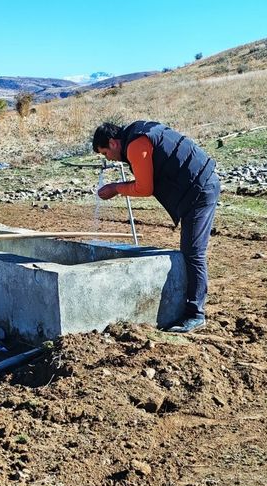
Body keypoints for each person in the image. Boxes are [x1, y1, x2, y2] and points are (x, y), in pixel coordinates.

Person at [92, 121, 220, 333]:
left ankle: (195, 314)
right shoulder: (139, 133)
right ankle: (191, 306)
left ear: (113, 143)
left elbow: (144, 188)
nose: (108, 159)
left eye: (105, 153)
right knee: (190, 249)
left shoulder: (136, 144)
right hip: (198, 185)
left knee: (193, 252)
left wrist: (115, 188)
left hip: (200, 189)